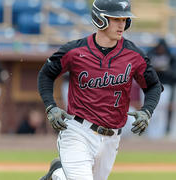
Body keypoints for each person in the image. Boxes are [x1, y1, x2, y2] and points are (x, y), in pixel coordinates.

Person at [37, 0, 162, 179]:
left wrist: (147, 111)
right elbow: (46, 75)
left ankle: (57, 175)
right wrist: (51, 106)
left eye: (125, 19)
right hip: (78, 131)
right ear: (100, 19)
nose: (122, 24)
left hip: (112, 138)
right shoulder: (75, 50)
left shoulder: (134, 54)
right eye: (116, 19)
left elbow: (153, 85)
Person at [145, 38, 175, 139]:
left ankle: (160, 133)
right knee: (149, 110)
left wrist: (164, 70)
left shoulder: (170, 56)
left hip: (165, 85)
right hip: (151, 85)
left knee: (162, 111)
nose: (161, 49)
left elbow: (173, 72)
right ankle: (148, 133)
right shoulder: (150, 54)